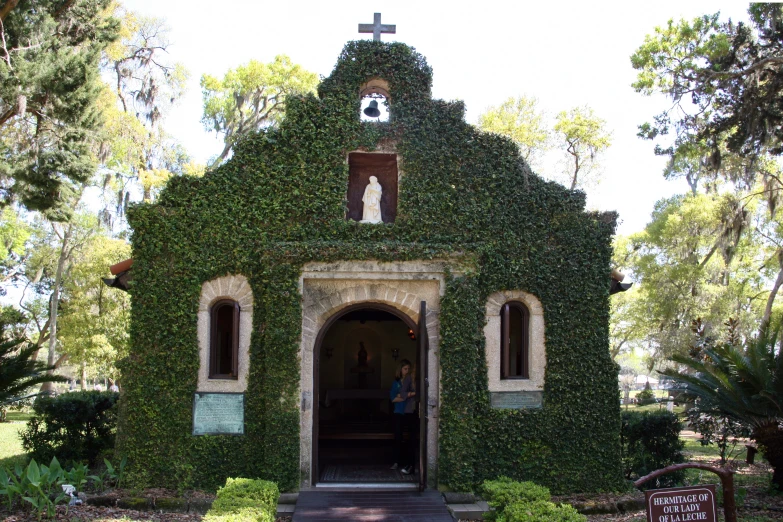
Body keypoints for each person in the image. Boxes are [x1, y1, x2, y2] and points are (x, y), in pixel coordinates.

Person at [389, 359, 416, 473]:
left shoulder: (412, 381)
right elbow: (393, 398)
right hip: (399, 412)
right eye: (405, 369)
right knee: (398, 437)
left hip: (409, 412)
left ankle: (408, 462)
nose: (407, 371)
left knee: (410, 438)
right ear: (400, 370)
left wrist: (404, 395)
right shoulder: (396, 383)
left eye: (409, 369)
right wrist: (406, 396)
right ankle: (396, 461)